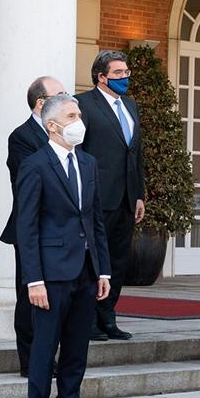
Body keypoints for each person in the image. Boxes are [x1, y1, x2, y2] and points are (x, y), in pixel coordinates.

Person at [15, 94, 111, 398]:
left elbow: (95, 221)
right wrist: (33, 280)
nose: (79, 120)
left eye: (79, 114)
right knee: (44, 351)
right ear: (52, 125)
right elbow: (28, 227)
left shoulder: (87, 162)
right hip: (51, 275)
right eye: (72, 115)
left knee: (76, 352)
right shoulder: (35, 165)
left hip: (86, 272)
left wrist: (103, 271)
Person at [78, 50, 145, 342]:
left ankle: (108, 317)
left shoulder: (130, 106)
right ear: (101, 76)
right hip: (98, 197)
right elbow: (79, 151)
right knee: (95, 259)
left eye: (126, 72)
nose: (124, 78)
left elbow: (136, 154)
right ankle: (89, 318)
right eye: (118, 73)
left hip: (127, 199)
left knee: (118, 261)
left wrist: (139, 194)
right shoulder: (83, 104)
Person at [0, 76, 65, 376]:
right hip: (32, 229)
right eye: (60, 95)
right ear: (41, 104)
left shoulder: (70, 135)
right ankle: (30, 362)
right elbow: (30, 183)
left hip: (63, 231)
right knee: (29, 297)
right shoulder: (22, 137)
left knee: (57, 297)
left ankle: (50, 355)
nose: (68, 99)